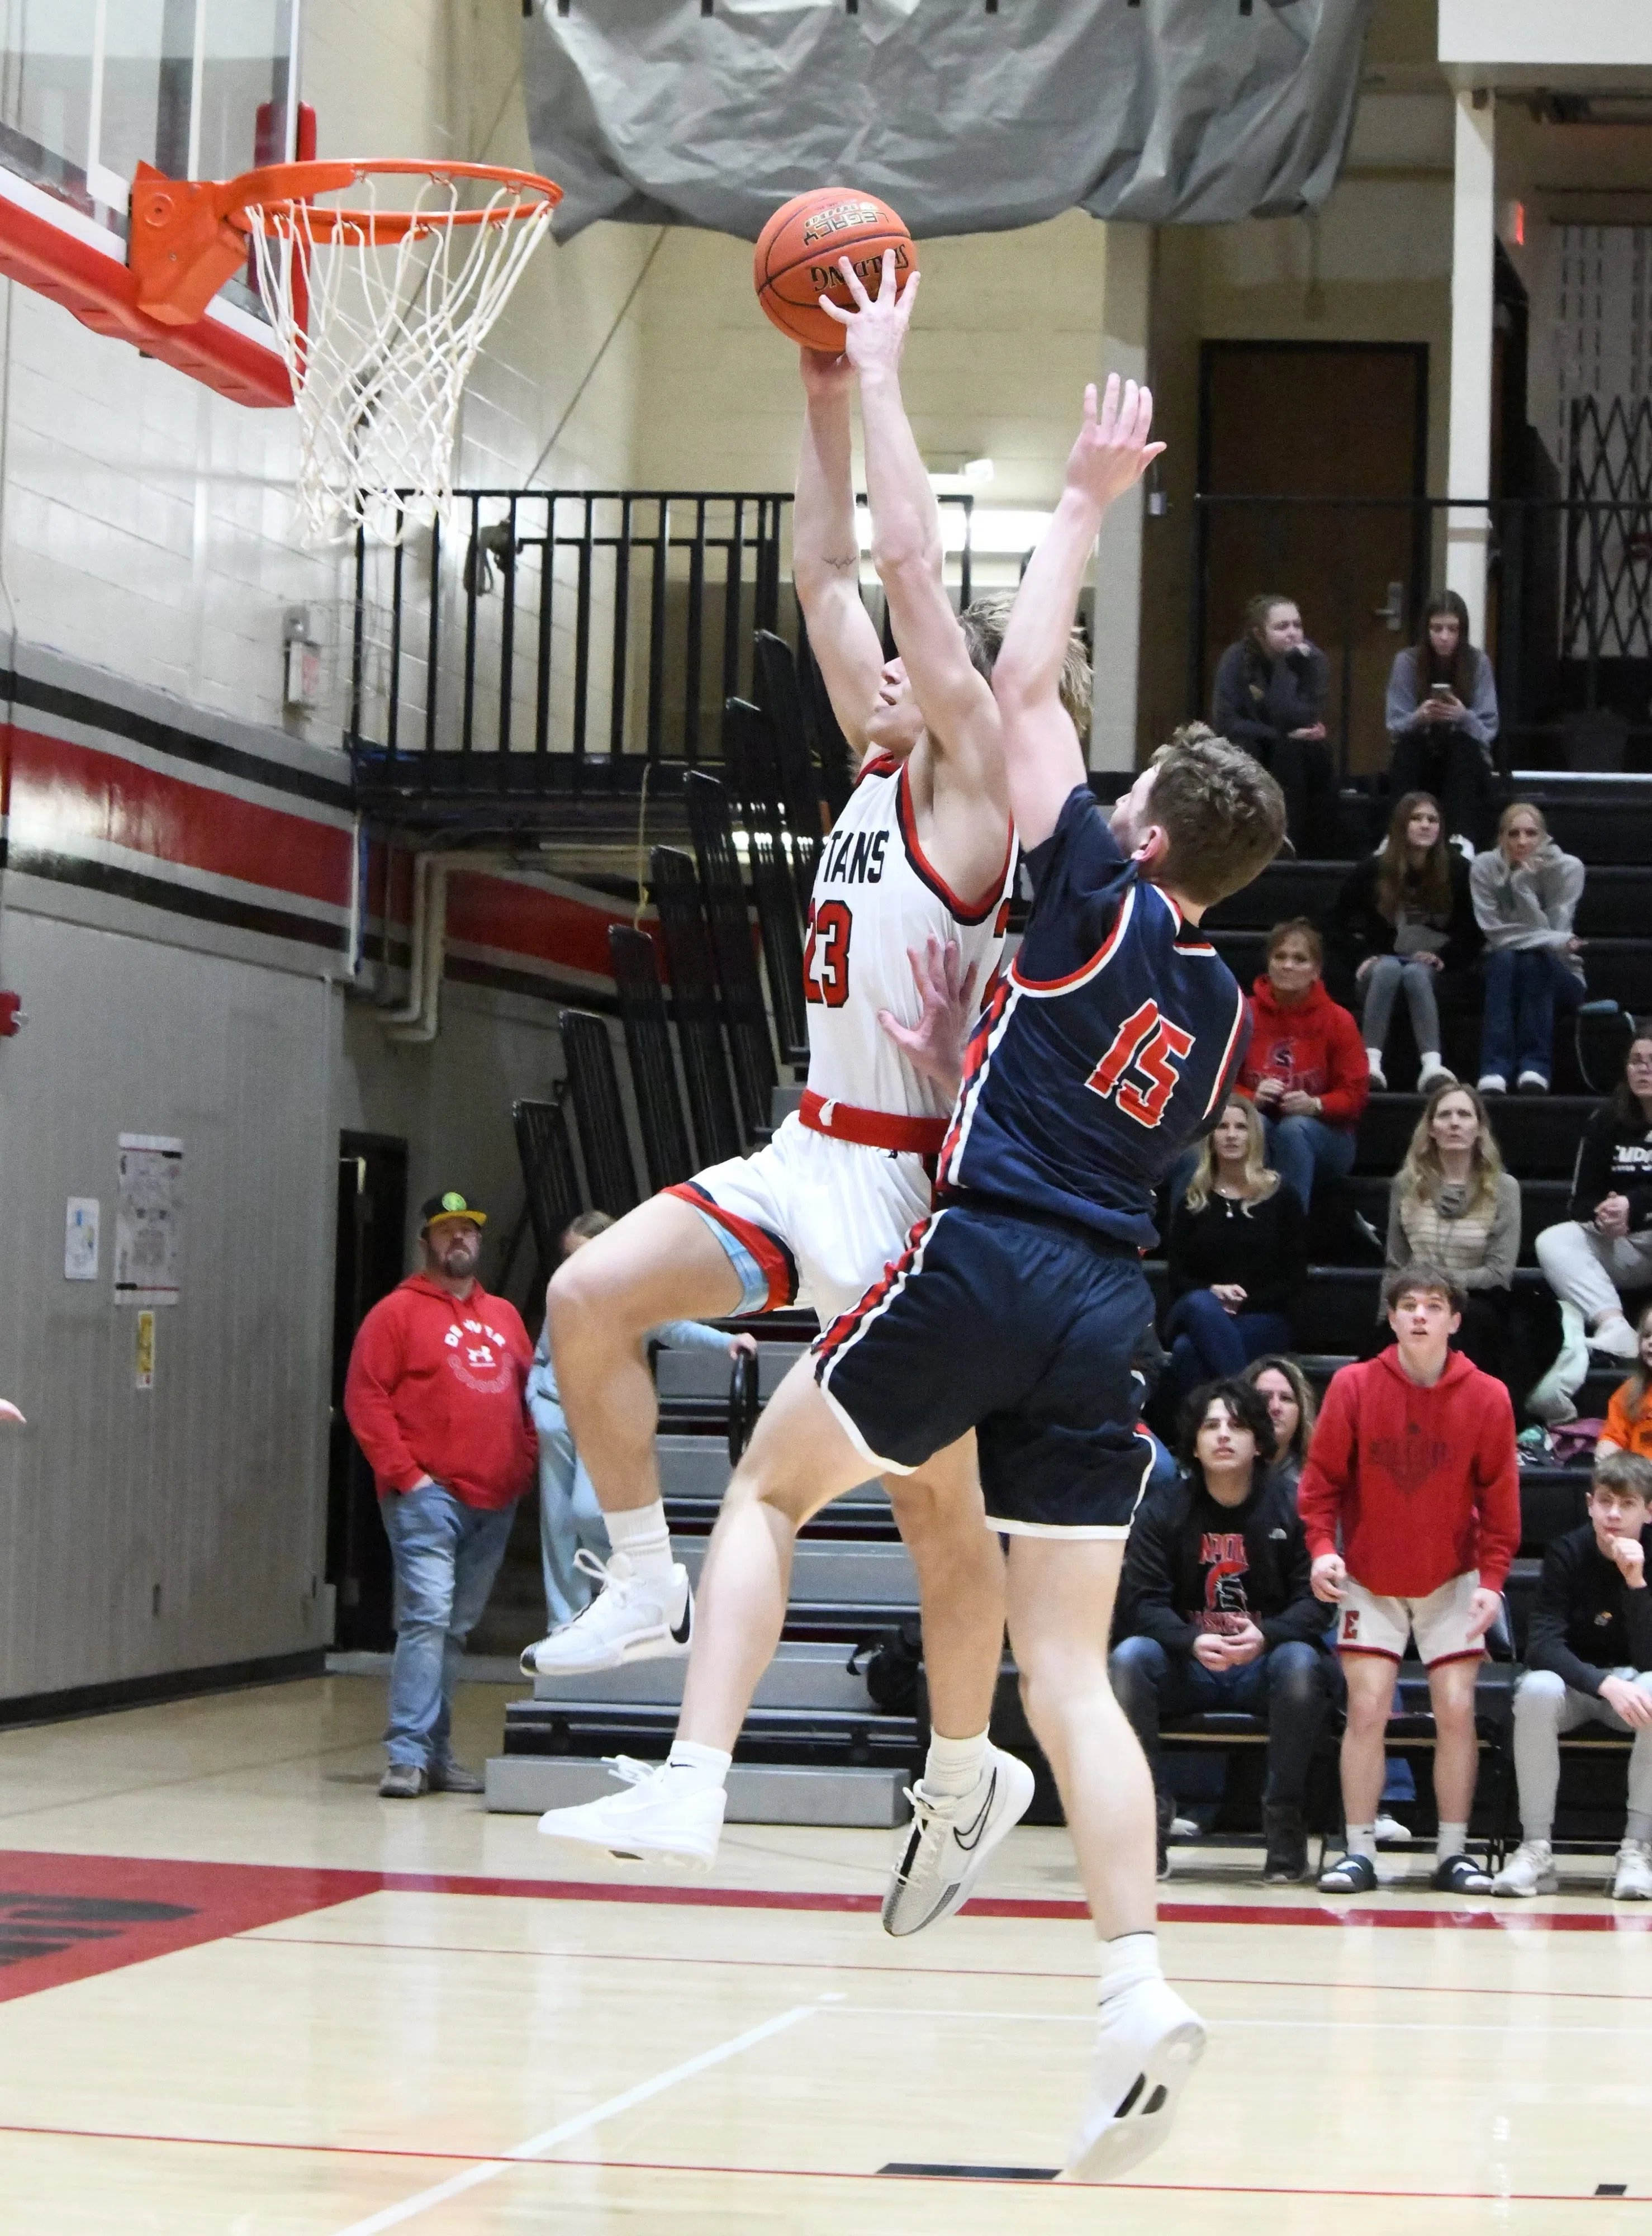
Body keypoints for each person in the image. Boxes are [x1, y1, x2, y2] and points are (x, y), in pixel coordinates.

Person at [542, 363, 1287, 2183]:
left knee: (784, 1487)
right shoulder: (1214, 1002)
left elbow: (982, 670)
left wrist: (1019, 466)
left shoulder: (1071, 878)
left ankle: (723, 1768)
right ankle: (1130, 1983)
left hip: (974, 1237)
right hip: (1107, 1301)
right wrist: (817, 386)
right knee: (1069, 1667)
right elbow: (873, 612)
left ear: (1139, 832)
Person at [527, 252, 1031, 1884]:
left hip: (899, 1195)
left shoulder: (971, 800)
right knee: (589, 1297)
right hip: (802, 1143)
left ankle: (955, 1771)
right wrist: (817, 389)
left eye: (923, 659)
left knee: (936, 1517)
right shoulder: (878, 768)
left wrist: (888, 378)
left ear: (969, 704)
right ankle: (638, 1573)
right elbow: (828, 566)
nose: (884, 656)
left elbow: (899, 559)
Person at [1299, 1261, 1520, 1897]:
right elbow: (1319, 1488)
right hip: (1369, 1575)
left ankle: (1453, 1853)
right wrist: (1320, 1550)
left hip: (1453, 1576)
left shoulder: (1488, 1396)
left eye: (1432, 1305)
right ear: (1391, 1317)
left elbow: (1502, 1503)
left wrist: (1494, 1579)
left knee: (1456, 1709)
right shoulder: (1352, 1385)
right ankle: (1360, 1849)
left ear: (1454, 1319)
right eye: (1407, 1305)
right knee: (1367, 1707)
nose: (1419, 1315)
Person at [343, 1191, 537, 1799]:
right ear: (425, 1240)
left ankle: (436, 1753)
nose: (459, 1239)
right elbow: (365, 1400)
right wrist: (408, 1476)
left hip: (495, 1497)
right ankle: (405, 1754)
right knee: (426, 1617)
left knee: (455, 1628)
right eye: (446, 1229)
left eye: (469, 1230)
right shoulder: (394, 1314)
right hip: (429, 1496)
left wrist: (522, 1463)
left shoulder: (505, 1315)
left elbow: (532, 1393)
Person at [1110, 1380, 1335, 1885]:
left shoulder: (1294, 1507)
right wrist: (1190, 1640)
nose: (1224, 1437)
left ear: (1260, 1441)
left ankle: (1284, 1823)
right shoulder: (1163, 1511)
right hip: (1188, 1665)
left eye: (1237, 1426)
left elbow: (1315, 1603)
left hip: (1265, 1665)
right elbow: (1140, 1604)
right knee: (1129, 1658)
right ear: (1193, 1443)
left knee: (1302, 1664)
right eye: (1211, 1426)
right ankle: (1149, 1823)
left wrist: (1266, 1637)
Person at [524, 1211, 757, 1630]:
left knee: (590, 1512)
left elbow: (677, 1329)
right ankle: (565, 1622)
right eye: (570, 1257)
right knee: (556, 1523)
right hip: (555, 1410)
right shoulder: (564, 1293)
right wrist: (534, 1398)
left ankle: (623, 1599)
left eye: (587, 1255)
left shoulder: (633, 1297)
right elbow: (544, 1351)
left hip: (605, 1418)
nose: (577, 1266)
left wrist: (728, 1342)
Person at [1492, 1451, 1652, 1901]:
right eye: (1605, 1502)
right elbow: (1542, 1646)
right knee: (1536, 1689)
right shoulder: (1568, 1551)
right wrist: (1603, 1684)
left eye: (1627, 1504)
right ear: (1589, 1504)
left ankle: (1638, 1851)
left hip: (1635, 1691)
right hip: (1579, 1688)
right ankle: (1536, 1850)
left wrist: (1637, 1585)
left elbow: (1649, 1657)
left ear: (1649, 1510)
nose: (1614, 1515)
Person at [1528, 1024, 1652, 1425]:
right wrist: (1603, 1214)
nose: (1643, 1069)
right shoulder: (1605, 1121)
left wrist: (1636, 1205)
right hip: (1622, 1244)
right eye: (1636, 1061)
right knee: (1553, 1240)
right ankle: (1613, 1325)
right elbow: (1578, 1201)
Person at [1159, 1097, 1304, 1415]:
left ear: (1254, 1137)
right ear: (1210, 1136)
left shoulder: (1281, 1196)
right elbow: (1177, 1276)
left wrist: (1243, 1302)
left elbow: (1294, 1277)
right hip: (1197, 1309)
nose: (1231, 1135)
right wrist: (1214, 1293)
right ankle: (1250, 1413)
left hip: (1265, 1316)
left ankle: (1197, 1444)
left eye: (1241, 1127)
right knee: (1200, 1304)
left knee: (1187, 1351)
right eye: (1223, 1127)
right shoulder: (1193, 1199)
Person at [1332, 791, 1480, 1091]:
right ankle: (1370, 1063)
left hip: (1431, 973)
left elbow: (1475, 931)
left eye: (1432, 819)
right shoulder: (1373, 869)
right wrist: (1360, 956)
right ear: (1401, 825)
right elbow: (1332, 922)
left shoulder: (1459, 870)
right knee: (1387, 968)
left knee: (1413, 972)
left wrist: (1446, 957)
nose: (1425, 825)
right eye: (1416, 819)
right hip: (1380, 973)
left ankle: (1432, 1066)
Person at [1385, 1083, 1519, 1387]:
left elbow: (1499, 1273)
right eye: (1445, 1115)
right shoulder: (1406, 1185)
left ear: (1480, 1128)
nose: (1455, 1123)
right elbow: (1396, 1264)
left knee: (1470, 1327)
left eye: (1464, 1115)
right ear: (1431, 1128)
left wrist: (1439, 1286)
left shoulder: (1504, 1188)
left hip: (1475, 1305)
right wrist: (1386, 1319)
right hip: (1415, 1300)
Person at [1236, 918, 1370, 1214]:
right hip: (1263, 1127)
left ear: (1316, 971)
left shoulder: (1339, 1020)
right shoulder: (1243, 1014)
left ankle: (1288, 1238)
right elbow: (1217, 1084)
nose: (1288, 966)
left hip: (1327, 1137)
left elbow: (1355, 1096)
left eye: (1300, 959)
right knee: (1247, 1125)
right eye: (1280, 957)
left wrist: (1316, 1105)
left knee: (1294, 1130)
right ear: (1268, 964)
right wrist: (1251, 1098)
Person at [1471, 801, 1586, 1095]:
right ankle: (1495, 1069)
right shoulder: (1485, 866)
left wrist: (1523, 886)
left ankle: (1535, 1067)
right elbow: (1495, 934)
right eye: (1513, 834)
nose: (1522, 842)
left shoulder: (1569, 869)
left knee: (1534, 961)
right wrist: (1552, 940)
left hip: (1560, 973)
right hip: (1502, 969)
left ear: (1544, 837)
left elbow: (1554, 939)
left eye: (1531, 833)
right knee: (1507, 958)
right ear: (1501, 838)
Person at [1211, 593, 1333, 851]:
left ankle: (1288, 839)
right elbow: (1226, 722)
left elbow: (1298, 716)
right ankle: (1246, 840)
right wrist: (1278, 735)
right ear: (1259, 634)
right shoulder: (1235, 659)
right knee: (1248, 747)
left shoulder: (1313, 660)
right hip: (1252, 742)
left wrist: (1286, 667)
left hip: (1297, 749)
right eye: (1282, 627)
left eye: (1297, 625)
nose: (1292, 633)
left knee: (1297, 752)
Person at [1385, 590, 1499, 848]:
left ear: (1463, 632)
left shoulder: (1477, 663)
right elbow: (1394, 724)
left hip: (1464, 757)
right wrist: (1420, 717)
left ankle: (1462, 841)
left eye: (1452, 629)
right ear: (1426, 630)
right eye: (1437, 629)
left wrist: (1463, 716)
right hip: (1421, 751)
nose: (1445, 637)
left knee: (1463, 746)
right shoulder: (1407, 662)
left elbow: (1488, 729)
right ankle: (1398, 837)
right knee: (1408, 748)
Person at [1242, 1355, 1317, 1496]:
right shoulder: (1224, 1472)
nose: (1276, 1407)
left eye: (1286, 1399)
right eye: (1265, 1397)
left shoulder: (1317, 1482)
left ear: (1302, 1412)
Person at [1597, 1305, 1652, 1462]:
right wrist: (1608, 1449)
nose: (1651, 1342)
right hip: (1638, 1479)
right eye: (1647, 1336)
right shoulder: (1630, 1392)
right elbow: (1614, 1437)